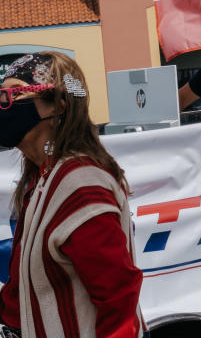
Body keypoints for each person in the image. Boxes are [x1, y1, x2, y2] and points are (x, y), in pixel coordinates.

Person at [0, 52, 145, 337]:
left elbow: (118, 297)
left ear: (57, 105)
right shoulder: (41, 178)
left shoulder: (81, 184)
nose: (2, 107)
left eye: (8, 97)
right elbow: (20, 291)